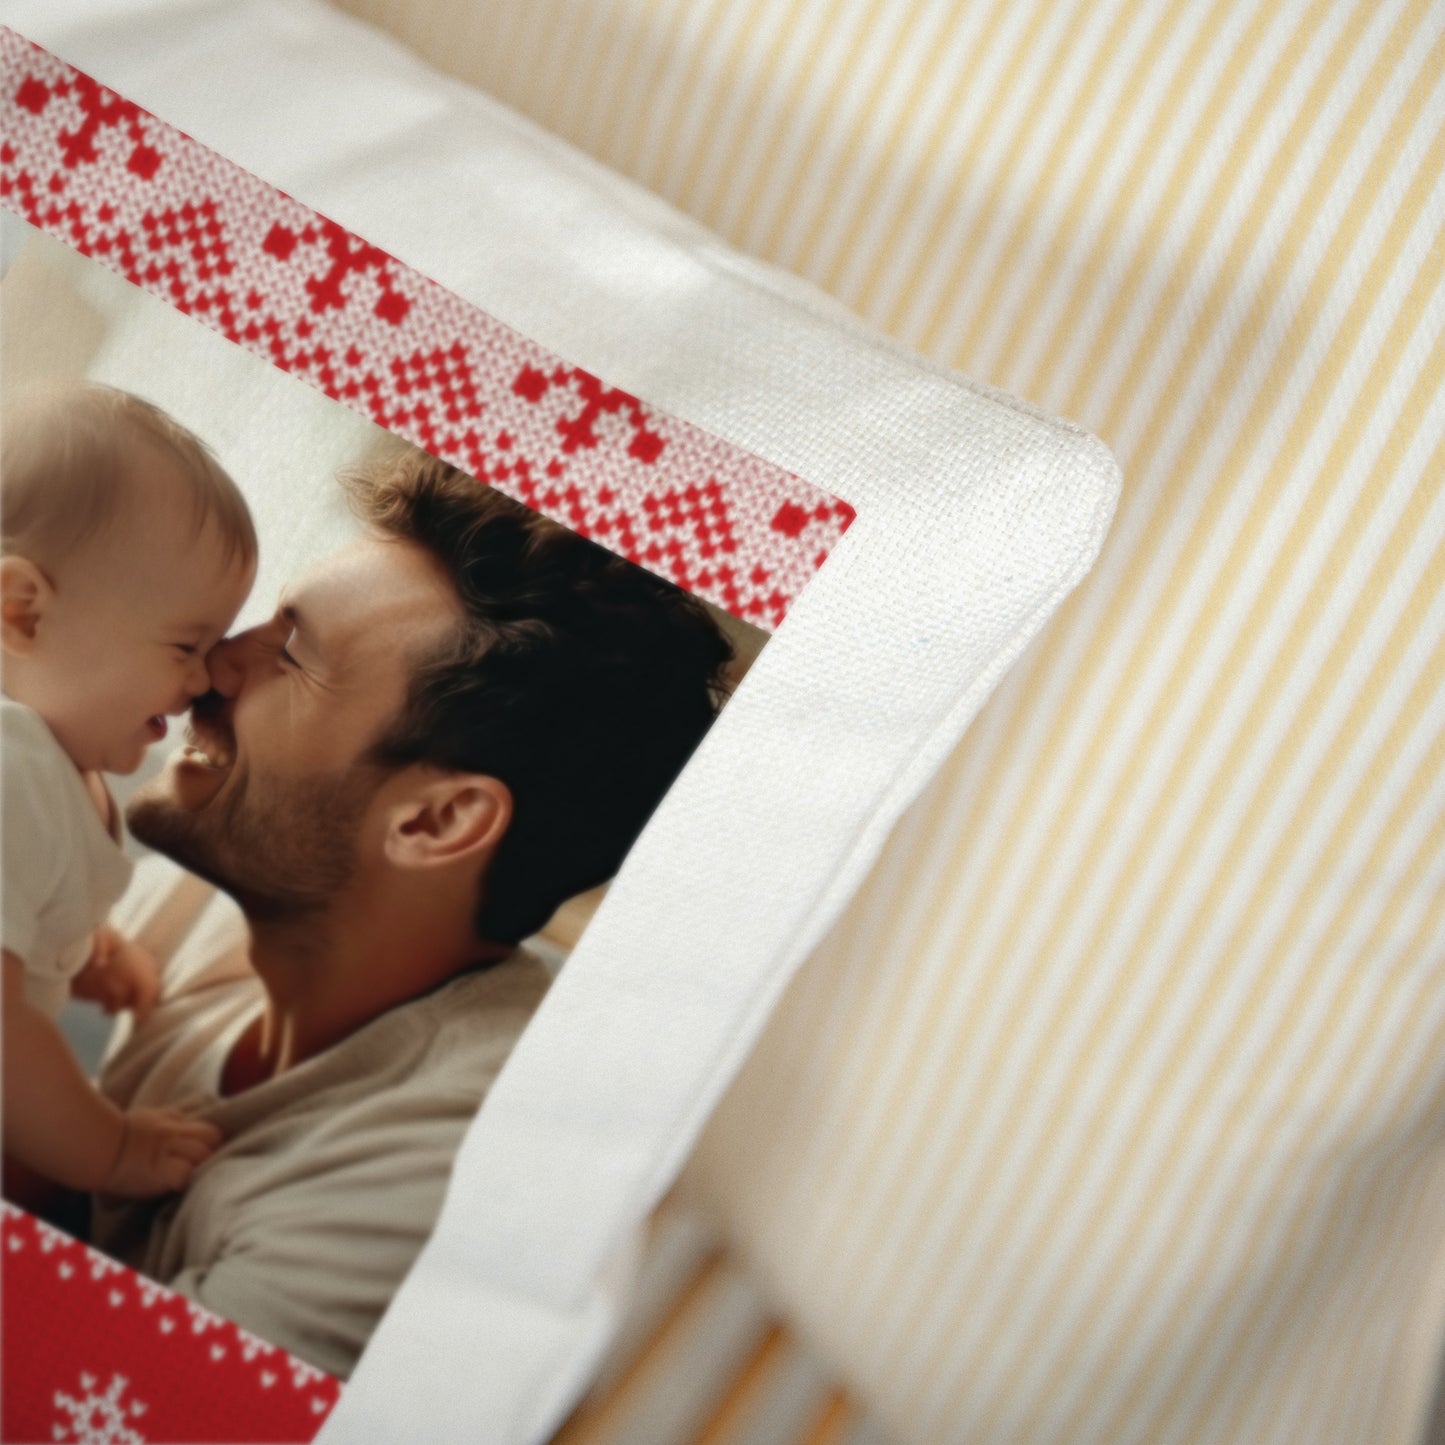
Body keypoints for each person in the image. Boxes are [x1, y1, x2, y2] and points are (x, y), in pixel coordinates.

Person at [83, 444, 734, 1378]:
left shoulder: (437, 1182)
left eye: (293, 656)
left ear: (436, 819)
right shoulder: (219, 890)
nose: (218, 661)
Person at [1, 383, 256, 1199]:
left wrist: (76, 948)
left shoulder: (50, 761)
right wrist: (107, 1149)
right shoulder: (13, 771)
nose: (204, 677)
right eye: (187, 643)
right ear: (23, 612)